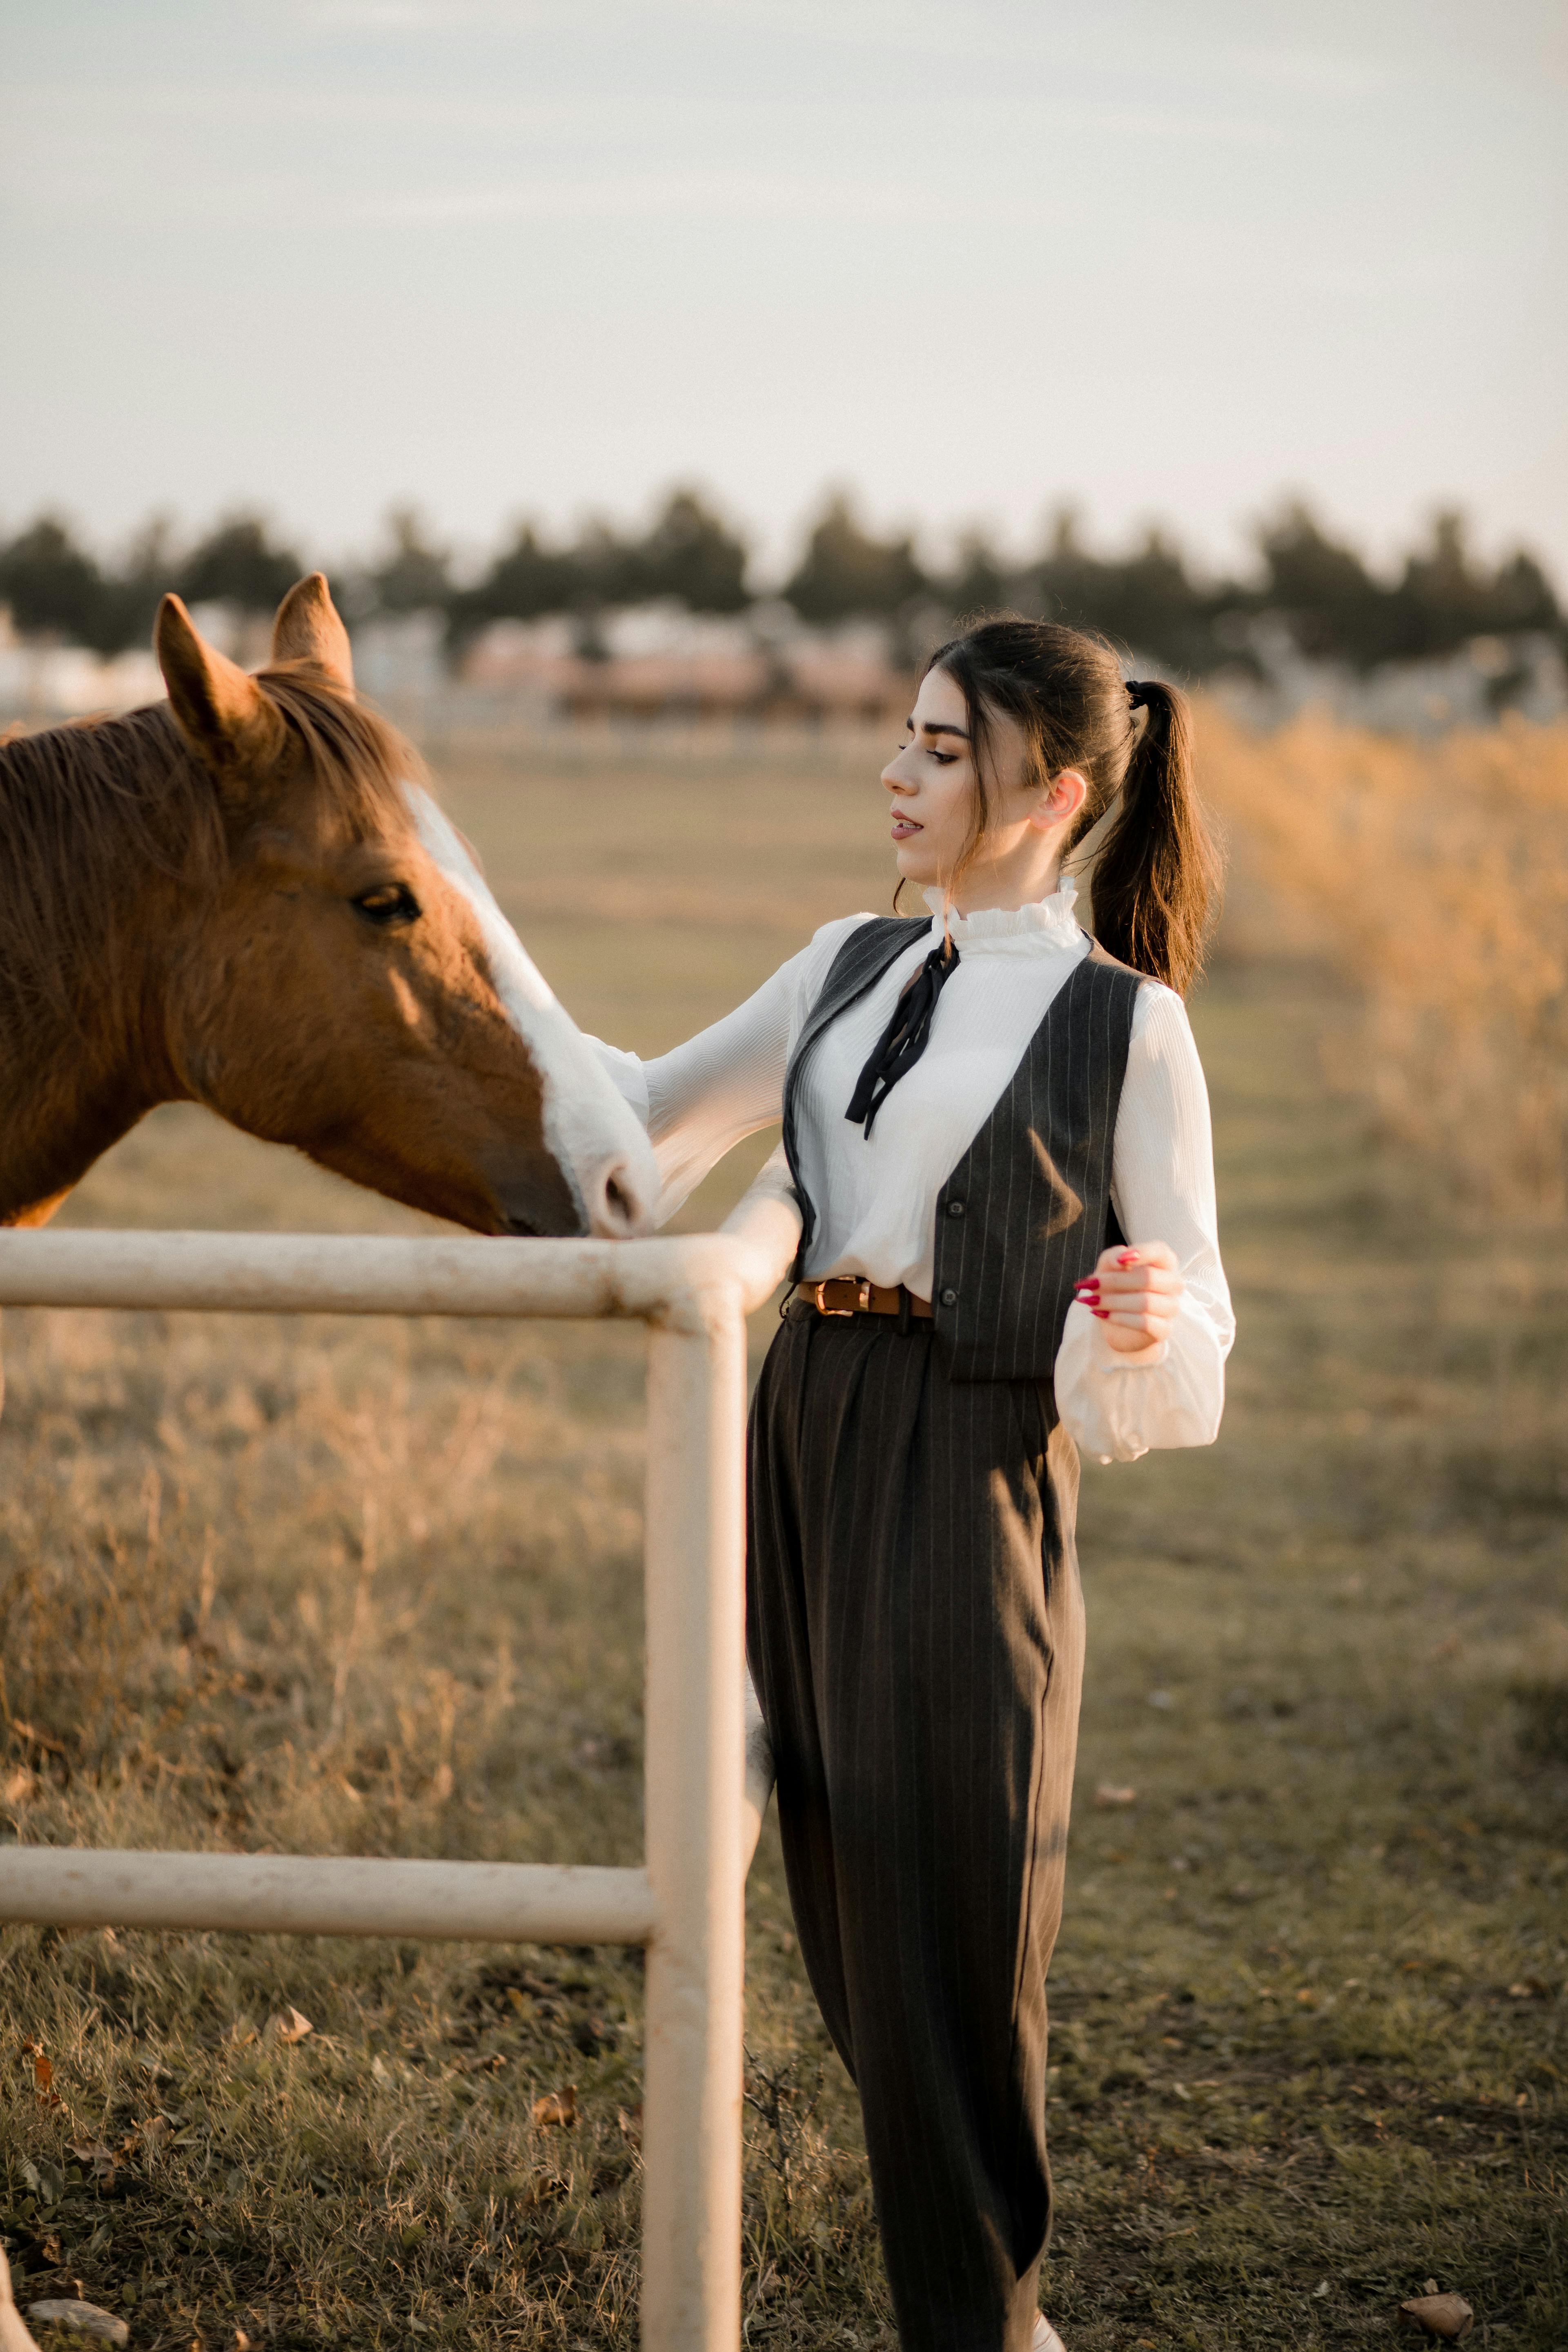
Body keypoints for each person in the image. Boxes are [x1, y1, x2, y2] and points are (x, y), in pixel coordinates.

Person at [594, 619, 1234, 2352]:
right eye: (907, 735)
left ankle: (989, 2319)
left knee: (960, 1893)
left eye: (947, 750)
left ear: (1059, 792)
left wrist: (1140, 1315)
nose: (900, 770)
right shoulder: (844, 964)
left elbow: (1190, 1324)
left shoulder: (1127, 1026)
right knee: (834, 1868)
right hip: (802, 1422)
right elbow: (648, 1119)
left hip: (975, 1457)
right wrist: (462, 1034)